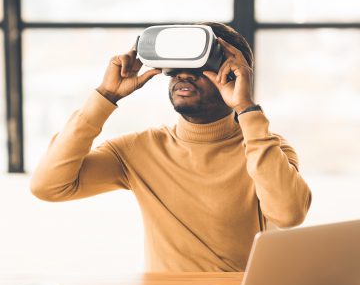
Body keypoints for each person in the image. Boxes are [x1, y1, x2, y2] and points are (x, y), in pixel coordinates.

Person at [30, 22, 312, 272]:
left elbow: (288, 215)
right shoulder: (137, 150)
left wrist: (246, 109)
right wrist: (106, 96)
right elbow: (48, 187)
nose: (184, 75)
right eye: (176, 67)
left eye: (201, 65)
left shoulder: (264, 147)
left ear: (234, 74)